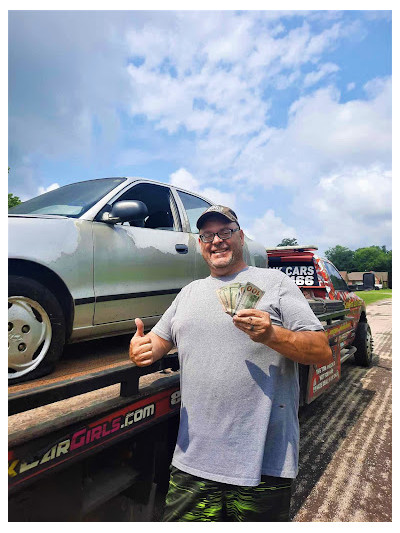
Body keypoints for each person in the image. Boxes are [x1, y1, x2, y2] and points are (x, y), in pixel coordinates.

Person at [129, 205, 332, 522]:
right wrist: (142, 348)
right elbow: (159, 340)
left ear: (241, 237)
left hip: (263, 466)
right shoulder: (189, 293)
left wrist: (271, 334)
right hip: (192, 462)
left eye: (225, 232)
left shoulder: (273, 282)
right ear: (200, 244)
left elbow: (321, 350)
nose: (216, 241)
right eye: (207, 235)